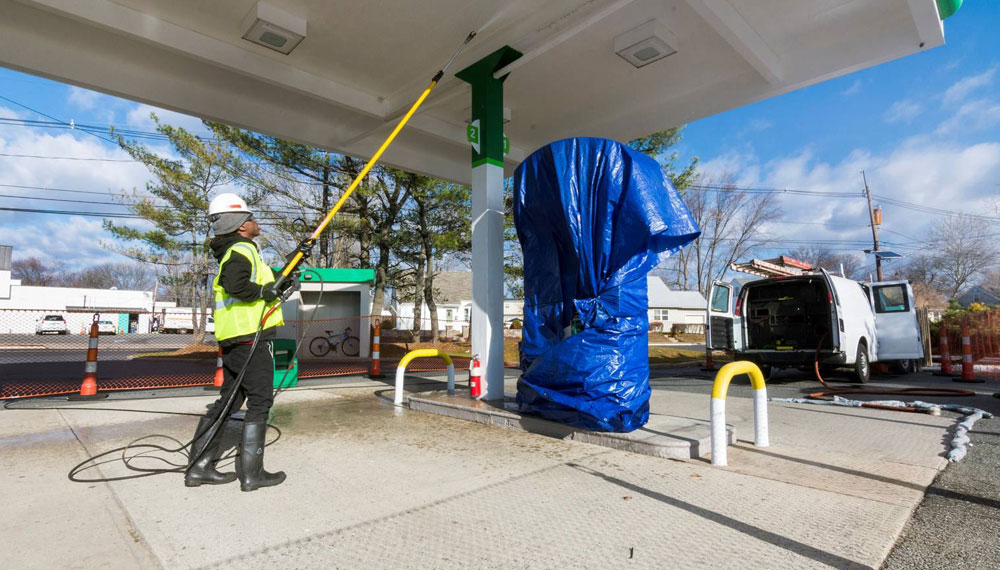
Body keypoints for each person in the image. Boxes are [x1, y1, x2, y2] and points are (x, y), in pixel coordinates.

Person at [184, 193, 298, 492]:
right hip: (249, 337)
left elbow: (266, 280)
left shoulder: (238, 251)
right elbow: (237, 285)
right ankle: (252, 475)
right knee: (260, 400)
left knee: (230, 402)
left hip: (237, 338)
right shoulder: (241, 249)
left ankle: (199, 468)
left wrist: (287, 272)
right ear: (239, 225)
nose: (255, 221)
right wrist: (265, 293)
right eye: (250, 217)